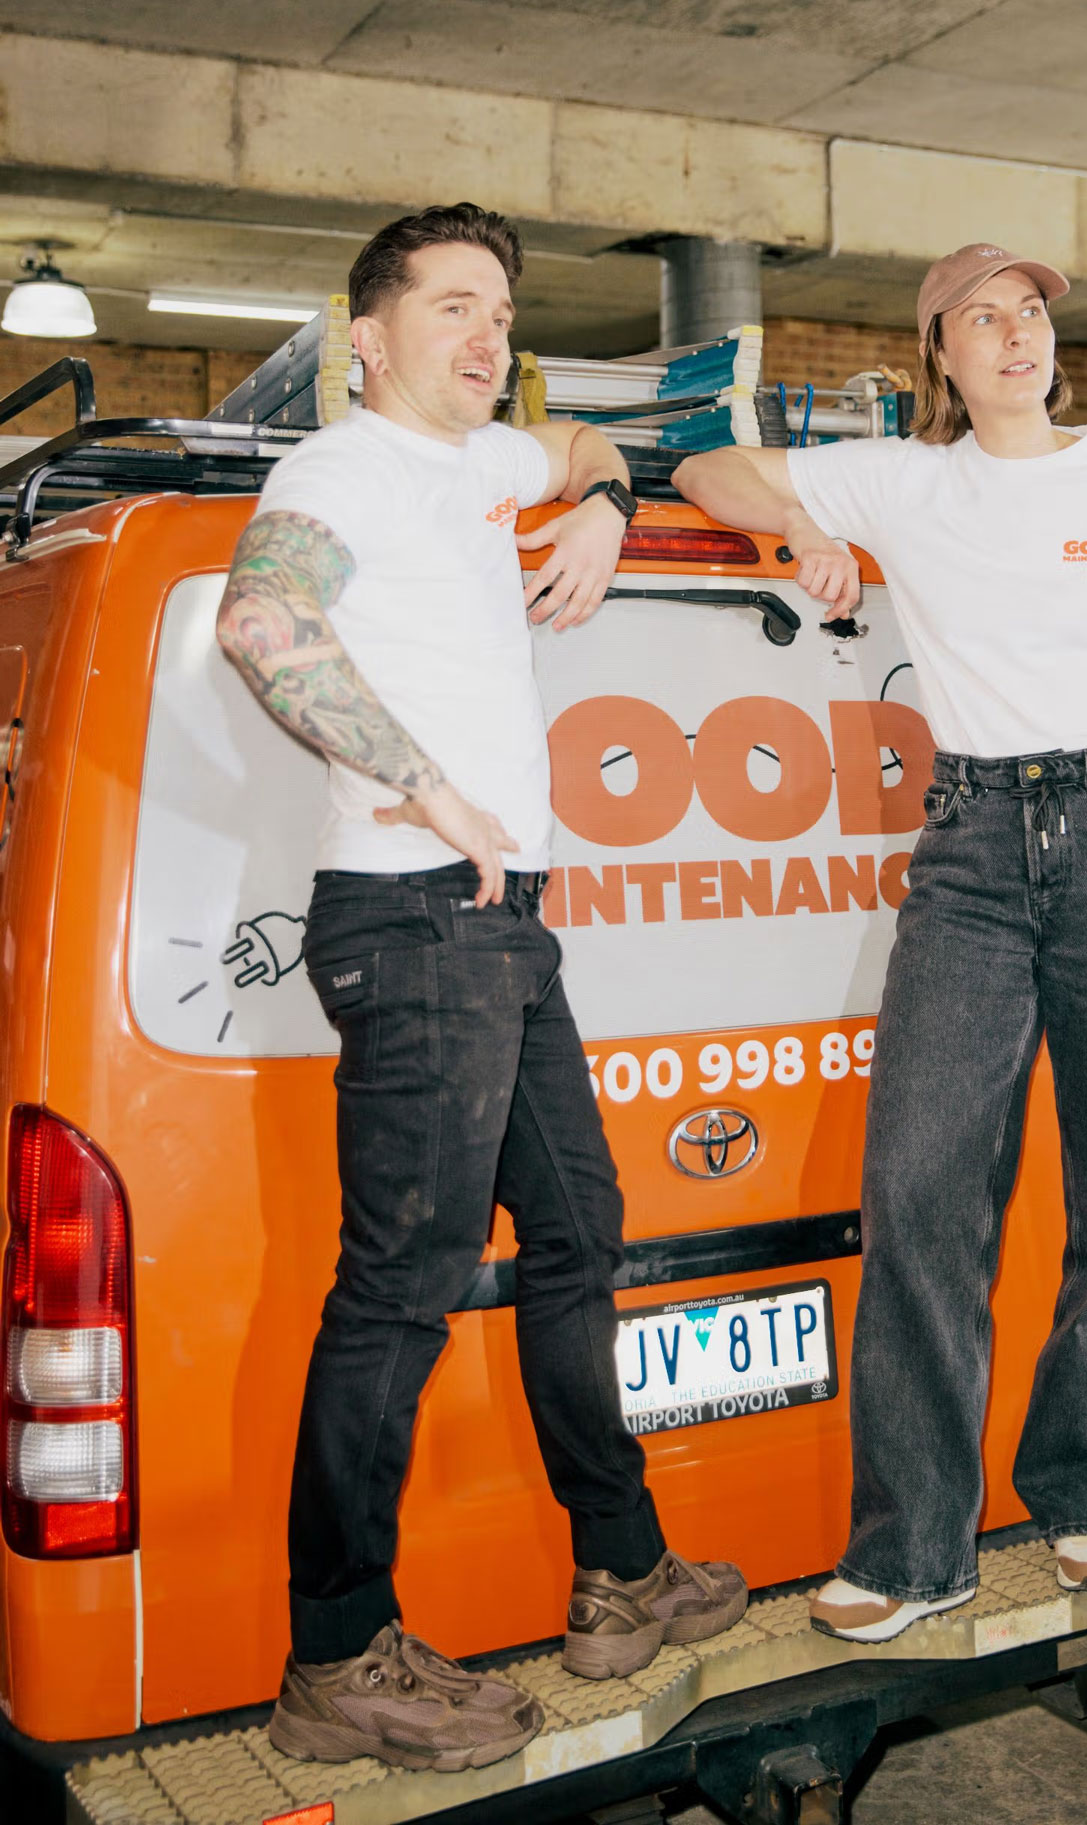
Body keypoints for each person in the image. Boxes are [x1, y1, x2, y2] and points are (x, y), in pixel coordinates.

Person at [673, 242, 1087, 1642]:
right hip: (969, 843)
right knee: (918, 1192)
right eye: (984, 317)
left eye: (1031, 312)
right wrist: (806, 534)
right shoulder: (905, 479)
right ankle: (913, 1547)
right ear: (943, 356)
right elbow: (708, 470)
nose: (1018, 333)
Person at [217, 203, 746, 1772]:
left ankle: (622, 1570)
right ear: (369, 336)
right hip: (414, 915)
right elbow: (262, 619)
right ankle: (334, 1655)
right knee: (400, 1289)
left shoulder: (482, 461)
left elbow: (580, 444)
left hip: (502, 929)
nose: (487, 333)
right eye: (452, 305)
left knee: (579, 1232)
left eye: (501, 311)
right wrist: (425, 782)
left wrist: (608, 508)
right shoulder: (343, 471)